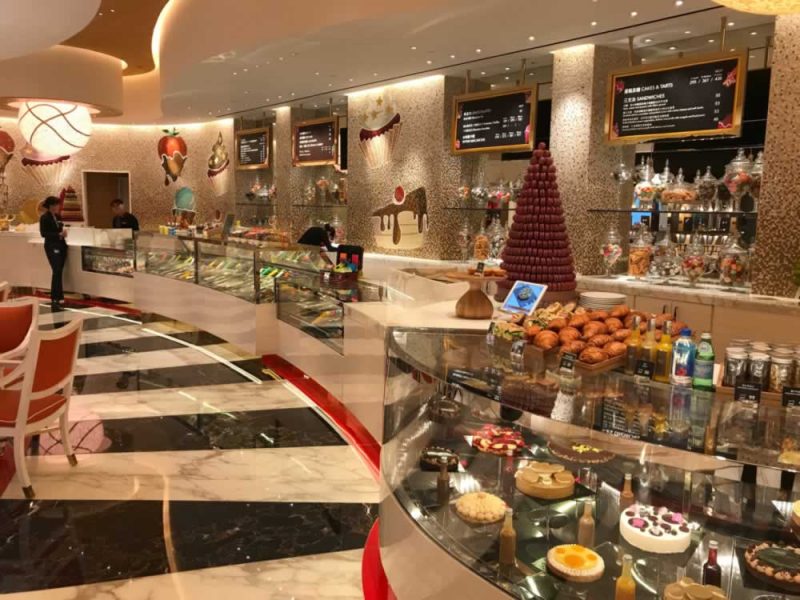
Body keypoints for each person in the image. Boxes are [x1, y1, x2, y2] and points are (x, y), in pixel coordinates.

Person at [39, 196, 68, 309]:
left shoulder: (58, 216)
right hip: (52, 246)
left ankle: (59, 296)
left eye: (58, 205)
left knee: (59, 271)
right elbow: (43, 233)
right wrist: (58, 234)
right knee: (56, 270)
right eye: (56, 205)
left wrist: (63, 233)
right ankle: (55, 298)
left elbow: (60, 229)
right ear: (50, 206)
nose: (57, 207)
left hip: (61, 245)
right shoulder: (44, 218)